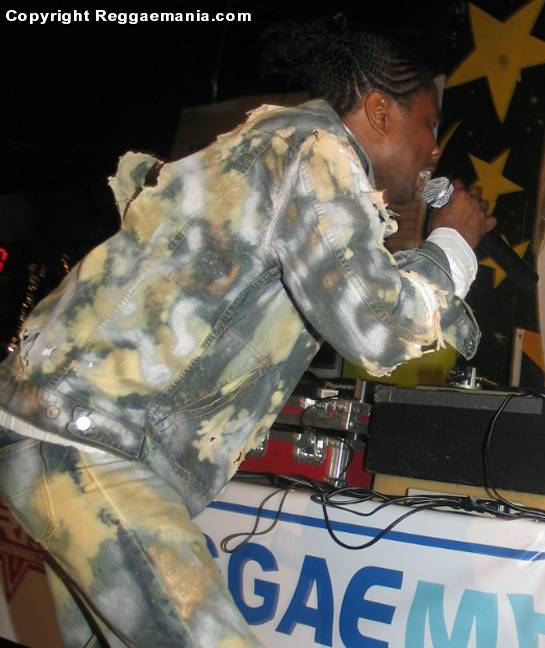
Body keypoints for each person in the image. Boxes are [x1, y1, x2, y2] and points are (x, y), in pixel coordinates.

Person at [0, 21, 495, 648]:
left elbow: (352, 293)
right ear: (378, 111)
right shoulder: (315, 151)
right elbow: (378, 327)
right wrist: (453, 245)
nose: (434, 149)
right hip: (90, 438)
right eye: (428, 124)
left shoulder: (286, 148)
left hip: (73, 430)